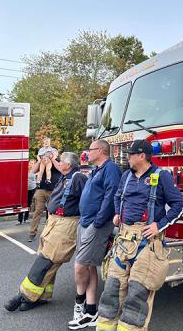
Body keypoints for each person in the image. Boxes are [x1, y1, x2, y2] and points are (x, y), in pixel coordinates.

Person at [95, 139, 183, 331]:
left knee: (138, 292)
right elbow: (118, 195)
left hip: (148, 242)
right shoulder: (126, 175)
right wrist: (118, 213)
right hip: (124, 239)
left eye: (131, 154)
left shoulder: (161, 176)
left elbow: (179, 204)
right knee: (112, 288)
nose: (127, 157)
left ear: (142, 156)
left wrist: (158, 226)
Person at [4, 152, 87, 312]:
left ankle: (24, 295)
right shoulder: (66, 177)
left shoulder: (78, 178)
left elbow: (87, 202)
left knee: (48, 260)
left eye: (60, 161)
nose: (57, 163)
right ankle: (42, 296)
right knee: (46, 257)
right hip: (54, 222)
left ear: (68, 165)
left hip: (66, 224)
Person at [68, 139, 121, 330]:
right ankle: (91, 311)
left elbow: (111, 195)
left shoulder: (111, 169)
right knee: (89, 266)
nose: (87, 153)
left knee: (80, 266)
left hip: (96, 224)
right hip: (86, 221)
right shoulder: (96, 170)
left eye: (90, 150)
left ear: (100, 151)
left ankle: (79, 304)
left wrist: (98, 221)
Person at [28, 154, 61, 242]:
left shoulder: (57, 162)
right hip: (41, 190)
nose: (47, 154)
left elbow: (60, 169)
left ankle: (52, 233)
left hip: (53, 191)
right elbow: (32, 171)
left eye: (50, 152)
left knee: (53, 212)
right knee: (37, 211)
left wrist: (52, 159)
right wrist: (39, 160)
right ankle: (32, 233)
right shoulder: (42, 161)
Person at [17, 159, 37, 225]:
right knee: (22, 204)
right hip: (24, 189)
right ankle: (19, 220)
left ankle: (26, 219)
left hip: (32, 189)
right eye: (30, 163)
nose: (30, 164)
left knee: (28, 203)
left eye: (32, 163)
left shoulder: (35, 171)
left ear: (35, 164)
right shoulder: (24, 169)